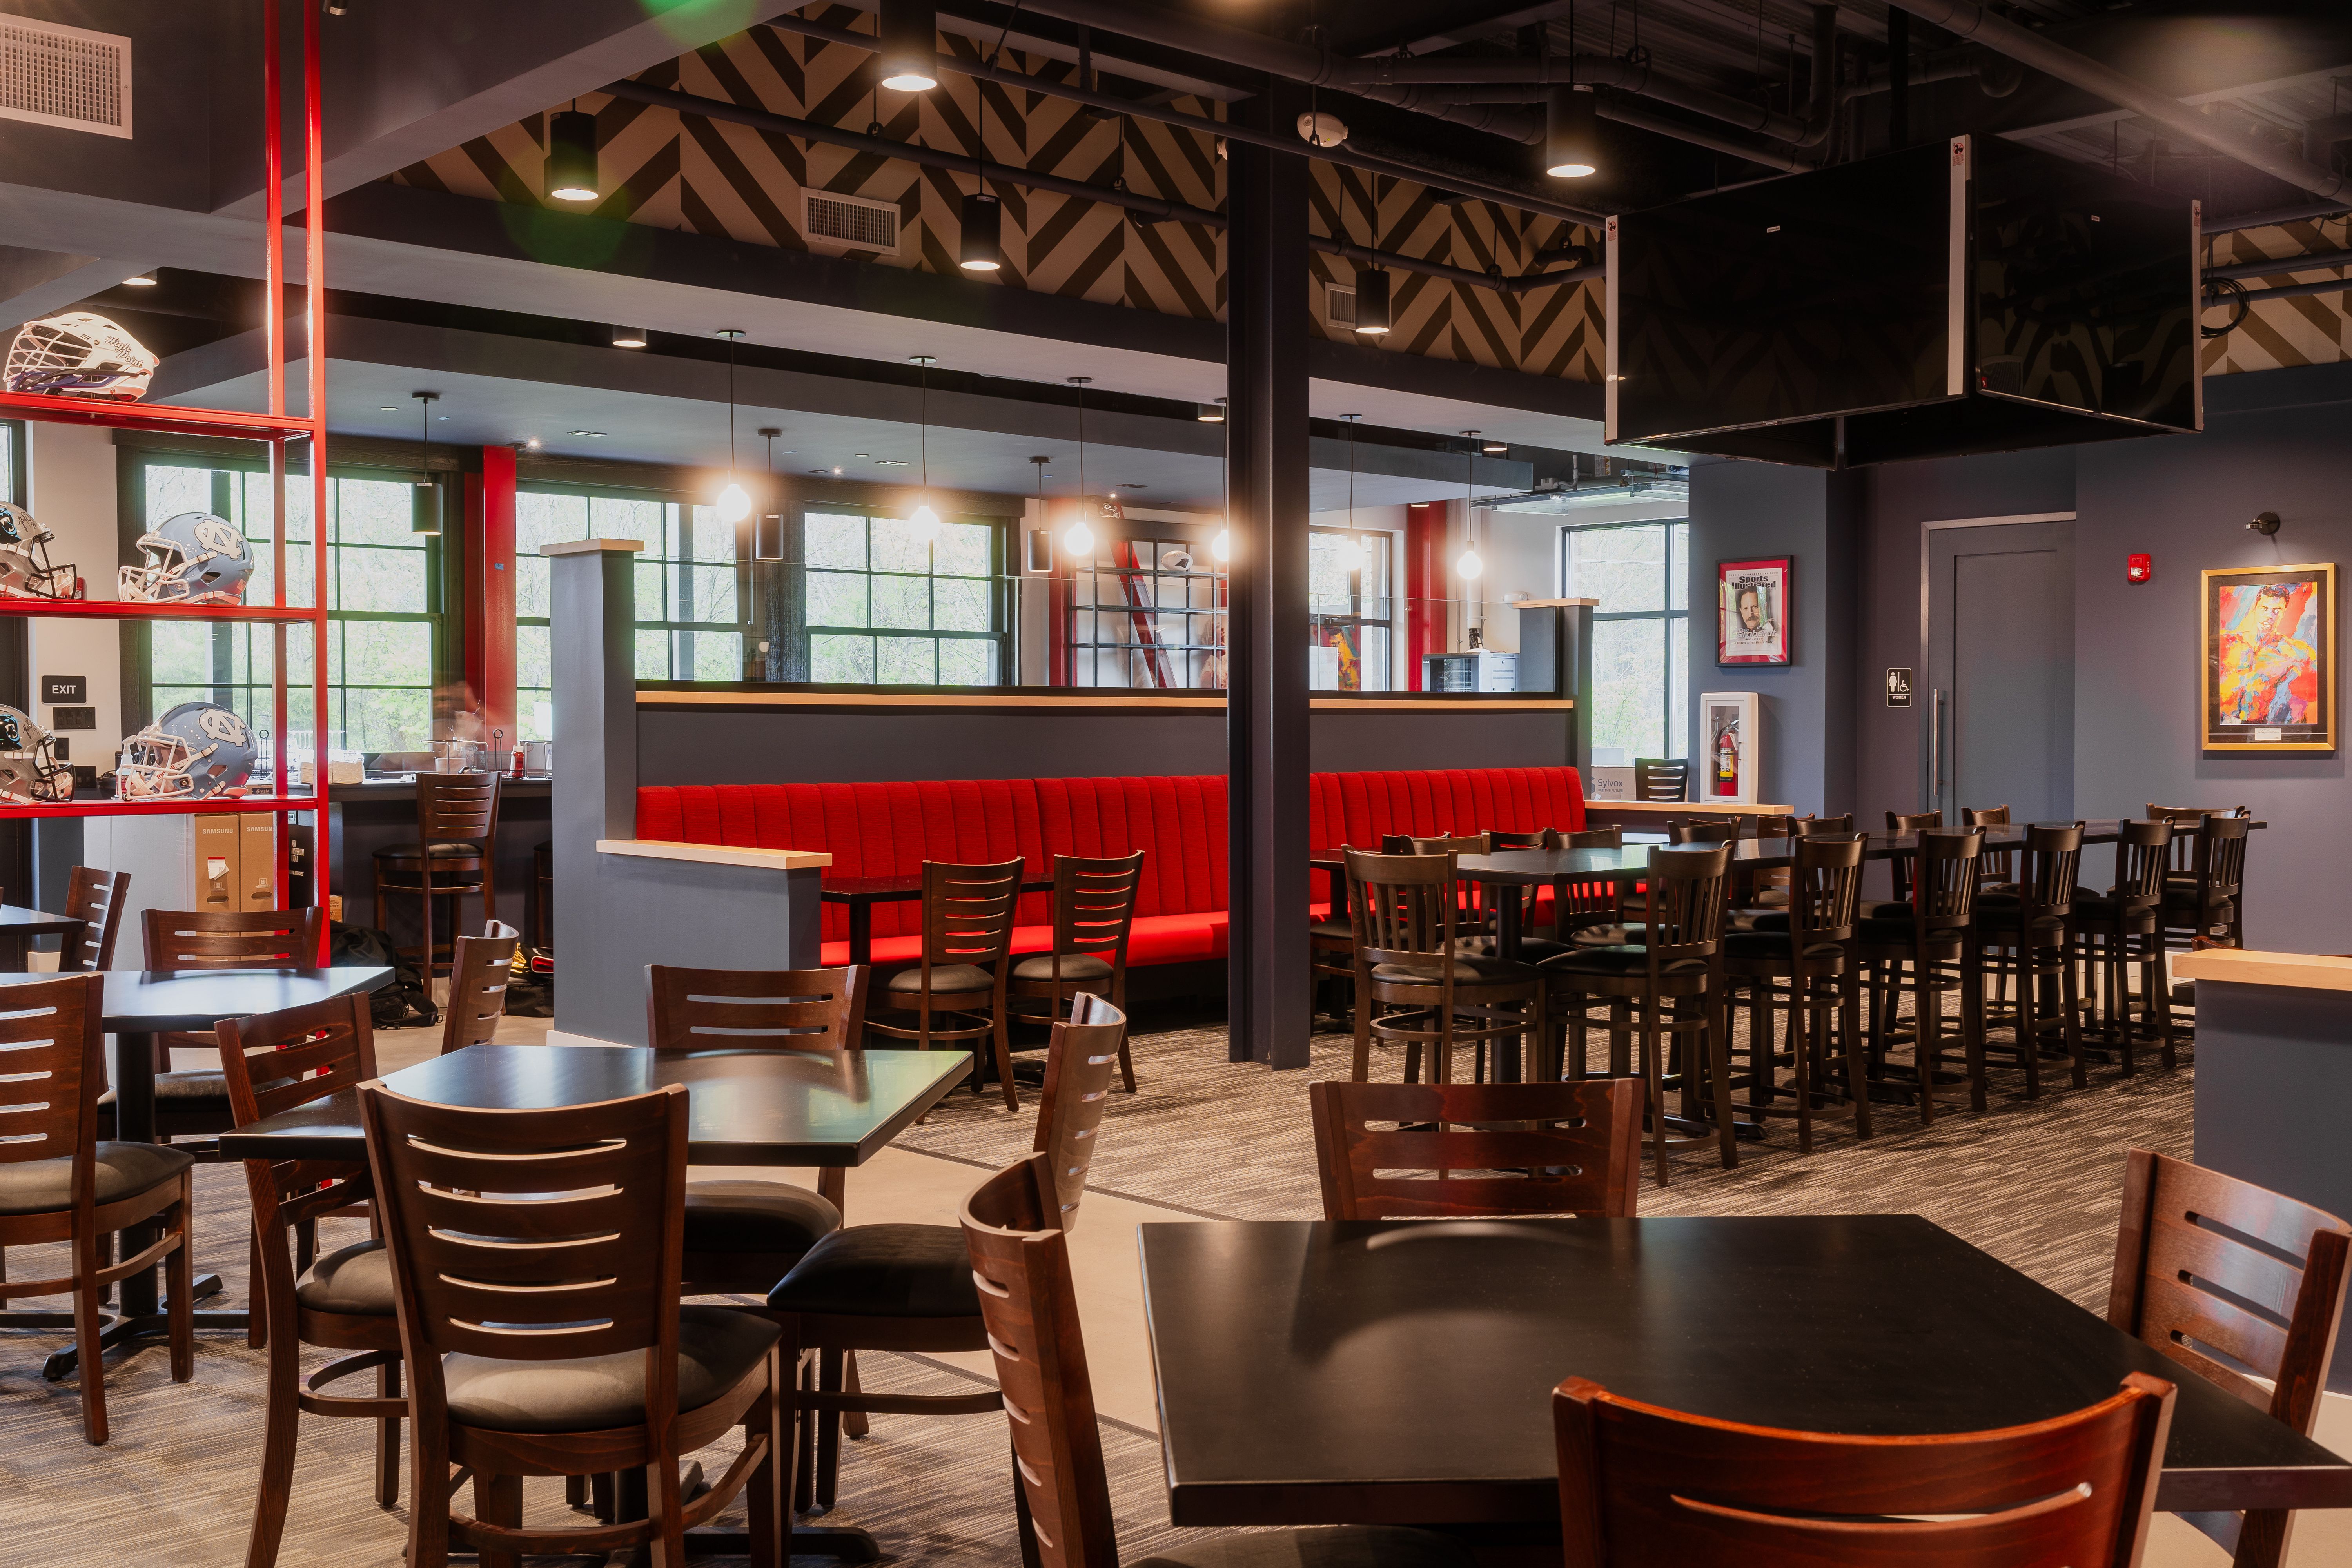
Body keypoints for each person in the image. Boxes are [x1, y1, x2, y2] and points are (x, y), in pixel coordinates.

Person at [2218, 582, 2316, 726]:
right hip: (2223, 725)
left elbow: (2310, 698)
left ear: (2284, 613)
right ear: (2255, 608)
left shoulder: (2295, 652)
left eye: (2277, 611)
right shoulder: (2227, 643)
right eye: (2264, 608)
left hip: (2264, 728)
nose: (2270, 616)